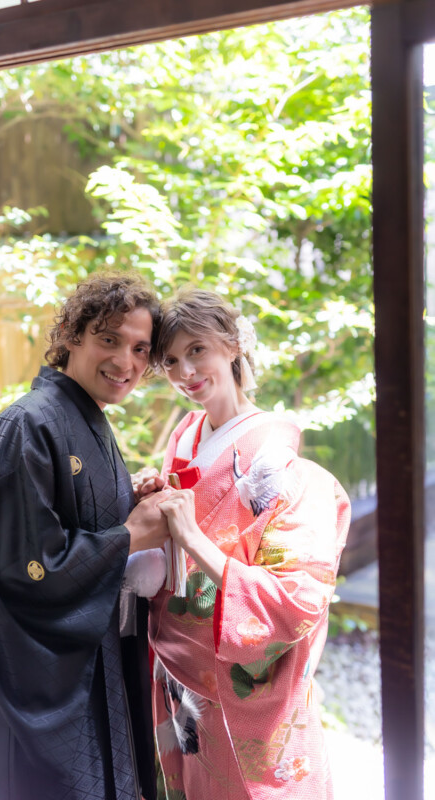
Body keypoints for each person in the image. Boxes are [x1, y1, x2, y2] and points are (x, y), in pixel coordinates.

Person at [0, 271, 171, 800]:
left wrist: (130, 503)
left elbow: (77, 520)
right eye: (109, 339)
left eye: (140, 349)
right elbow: (29, 570)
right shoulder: (29, 424)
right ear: (72, 335)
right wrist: (129, 536)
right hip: (41, 690)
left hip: (93, 670)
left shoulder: (85, 419)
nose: (125, 362)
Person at [143, 288, 351, 800]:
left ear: (233, 345)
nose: (185, 372)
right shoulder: (187, 434)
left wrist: (191, 537)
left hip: (239, 681)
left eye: (197, 350)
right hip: (177, 670)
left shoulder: (278, 466)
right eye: (170, 361)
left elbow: (297, 598)